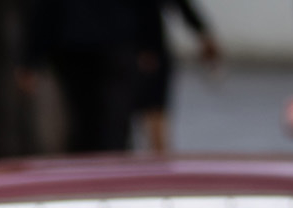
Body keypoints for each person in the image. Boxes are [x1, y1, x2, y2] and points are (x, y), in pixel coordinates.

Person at [22, 0, 139, 153]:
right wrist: (31, 58)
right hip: (79, 45)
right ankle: (100, 154)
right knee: (88, 117)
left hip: (108, 43)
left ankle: (110, 154)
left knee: (110, 115)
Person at [134, 0, 219, 154]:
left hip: (139, 48)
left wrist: (202, 33)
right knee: (152, 110)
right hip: (142, 49)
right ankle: (156, 158)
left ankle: (156, 158)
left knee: (152, 109)